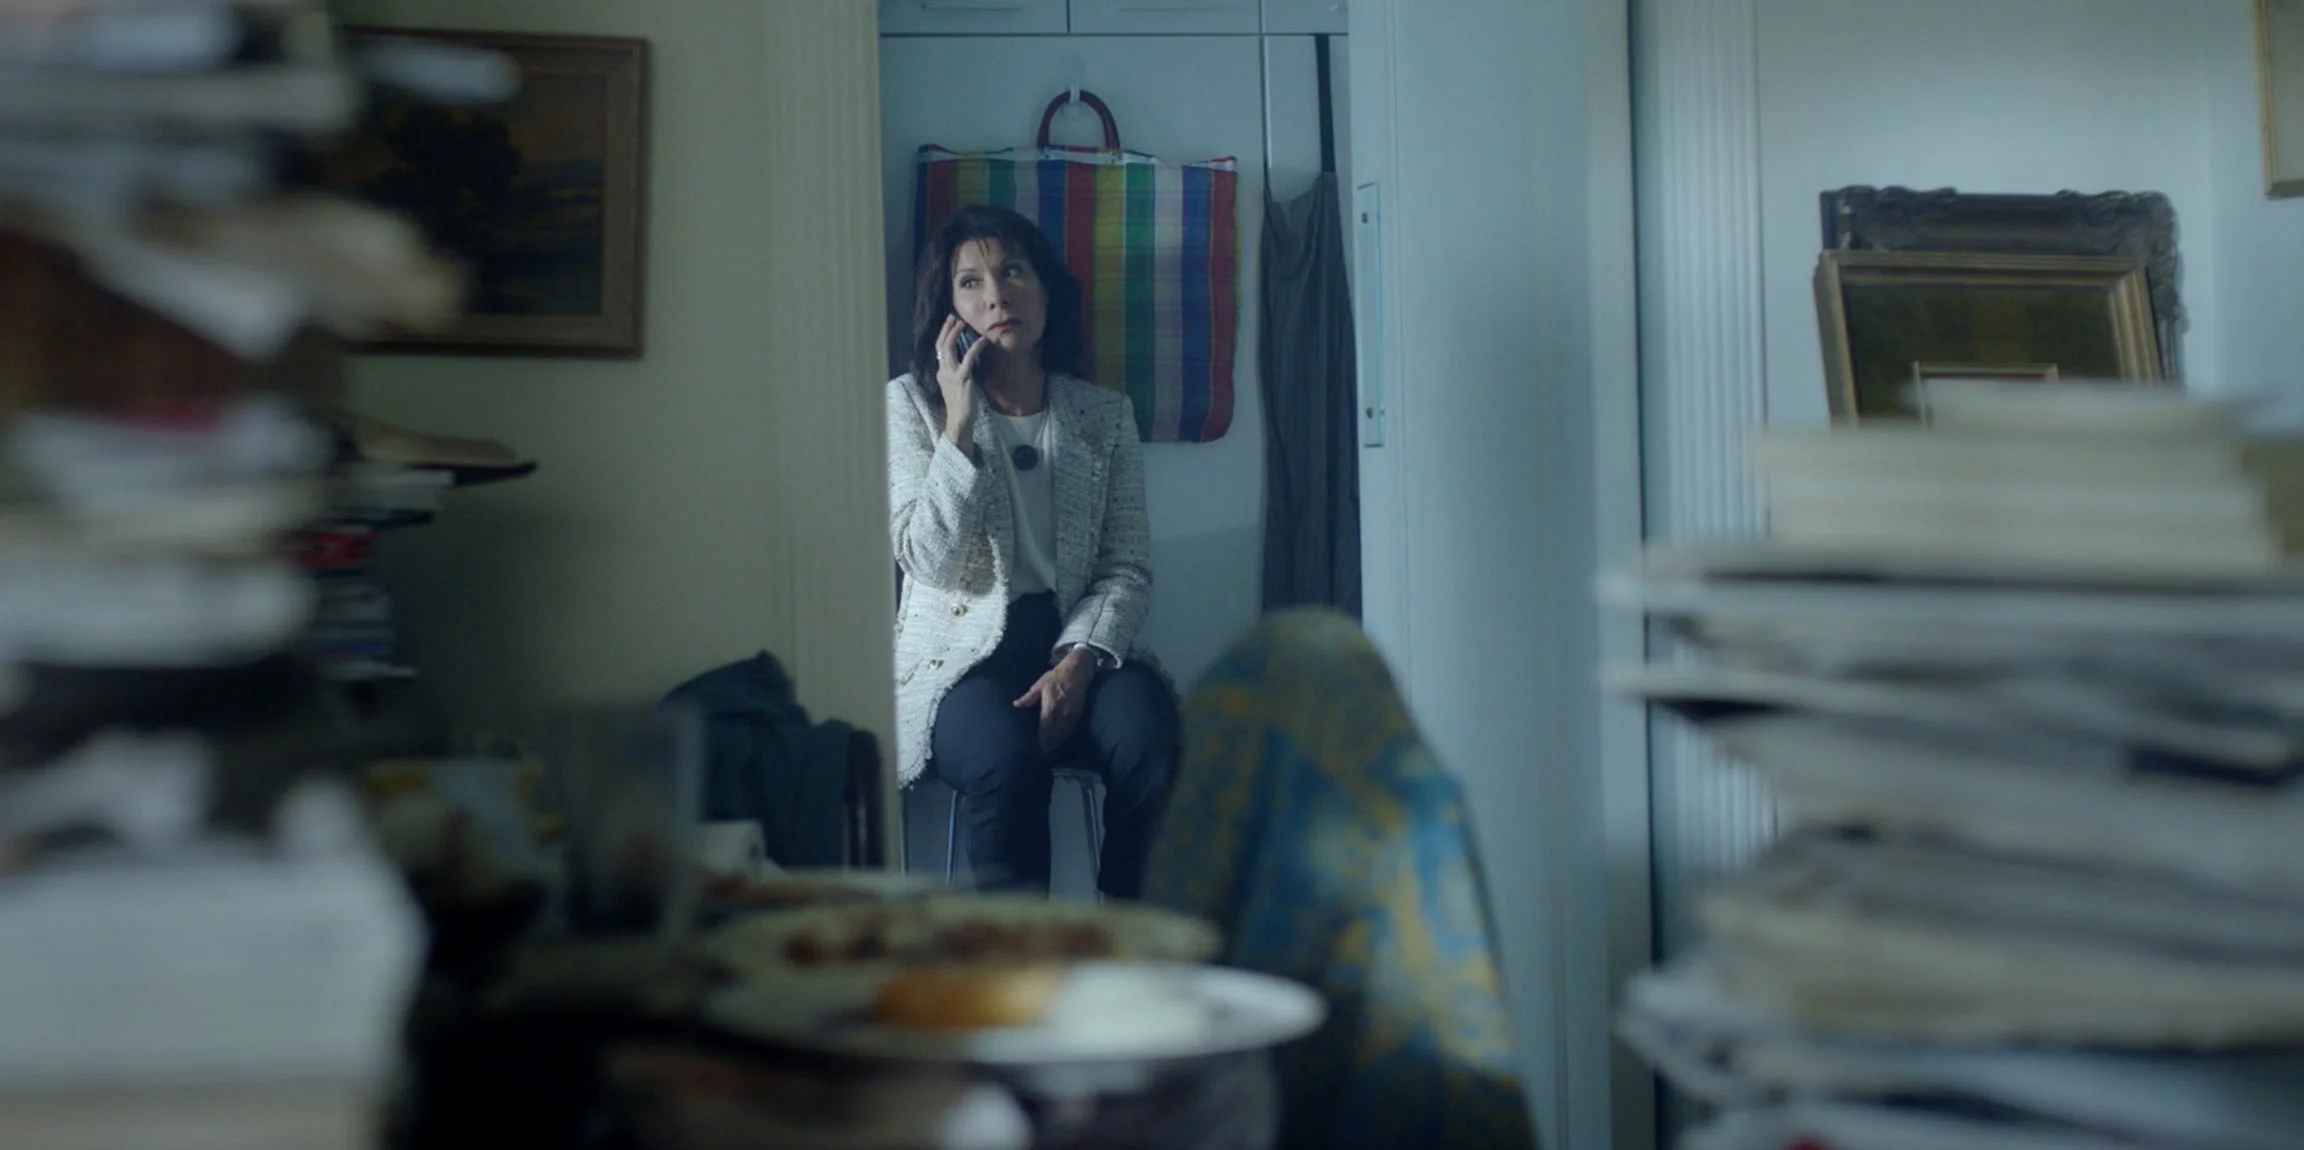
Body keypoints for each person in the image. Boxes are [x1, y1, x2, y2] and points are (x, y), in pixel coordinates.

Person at [885, 204, 1177, 898]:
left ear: (1046, 289)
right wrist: (957, 424)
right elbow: (922, 558)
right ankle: (1015, 965)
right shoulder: (910, 406)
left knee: (1151, 742)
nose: (997, 294)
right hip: (960, 661)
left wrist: (1079, 662)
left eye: (1014, 270)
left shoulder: (1104, 416)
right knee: (1006, 764)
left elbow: (1126, 566)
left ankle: (1135, 937)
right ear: (947, 309)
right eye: (971, 281)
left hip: (1077, 642)